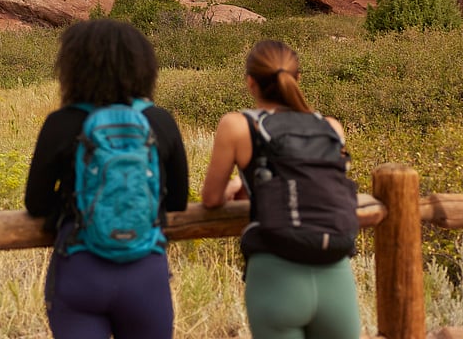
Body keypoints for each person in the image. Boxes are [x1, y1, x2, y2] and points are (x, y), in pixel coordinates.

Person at [25, 19, 189, 339]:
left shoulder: (61, 123)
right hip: (146, 271)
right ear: (142, 67)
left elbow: (36, 203)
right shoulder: (159, 120)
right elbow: (177, 201)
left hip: (80, 267)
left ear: (74, 67)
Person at [200, 39, 361, 339]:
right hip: (335, 267)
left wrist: (240, 184)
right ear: (297, 78)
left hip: (275, 271)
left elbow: (210, 198)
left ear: (250, 82)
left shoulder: (238, 125)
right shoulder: (331, 128)